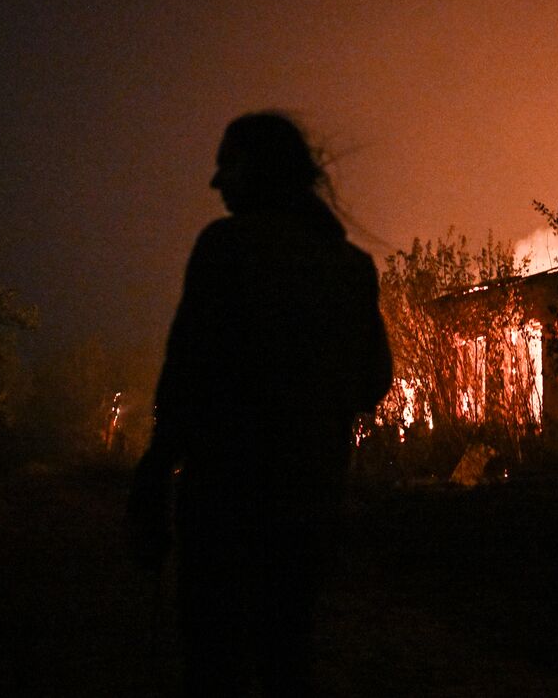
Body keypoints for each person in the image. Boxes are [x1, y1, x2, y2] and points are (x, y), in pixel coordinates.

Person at [128, 112, 392, 697]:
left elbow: (187, 372)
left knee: (215, 659)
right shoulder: (350, 267)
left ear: (258, 171)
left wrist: (156, 470)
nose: (216, 182)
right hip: (309, 501)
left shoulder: (226, 248)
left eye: (228, 164)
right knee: (286, 654)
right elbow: (374, 379)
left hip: (224, 499)